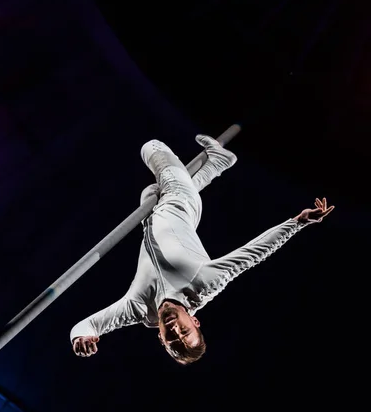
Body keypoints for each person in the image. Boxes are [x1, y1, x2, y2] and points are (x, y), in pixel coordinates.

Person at [70, 135, 334, 365]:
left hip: (158, 213)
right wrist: (297, 223)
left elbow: (88, 325)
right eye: (185, 331)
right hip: (179, 200)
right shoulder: (204, 284)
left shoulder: (139, 310)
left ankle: (219, 162)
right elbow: (255, 253)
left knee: (149, 192)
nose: (175, 329)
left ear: (161, 339)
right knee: (150, 147)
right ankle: (217, 160)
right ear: (195, 322)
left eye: (172, 338)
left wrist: (82, 337)